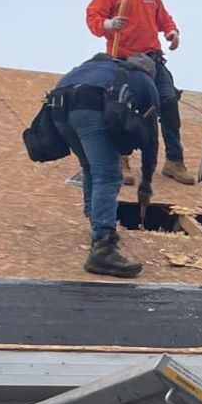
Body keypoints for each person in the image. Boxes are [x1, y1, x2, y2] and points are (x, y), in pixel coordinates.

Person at [87, 0, 193, 184]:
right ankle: (121, 159)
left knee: (168, 104)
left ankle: (175, 161)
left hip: (152, 59)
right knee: (126, 109)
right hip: (123, 61)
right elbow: (93, 17)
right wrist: (109, 24)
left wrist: (172, 32)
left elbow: (163, 18)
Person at [48, 51, 160, 277]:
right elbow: (152, 139)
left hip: (57, 106)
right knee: (108, 176)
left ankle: (97, 225)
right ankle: (103, 249)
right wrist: (146, 181)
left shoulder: (104, 69)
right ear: (149, 71)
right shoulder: (144, 80)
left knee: (91, 167)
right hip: (87, 106)